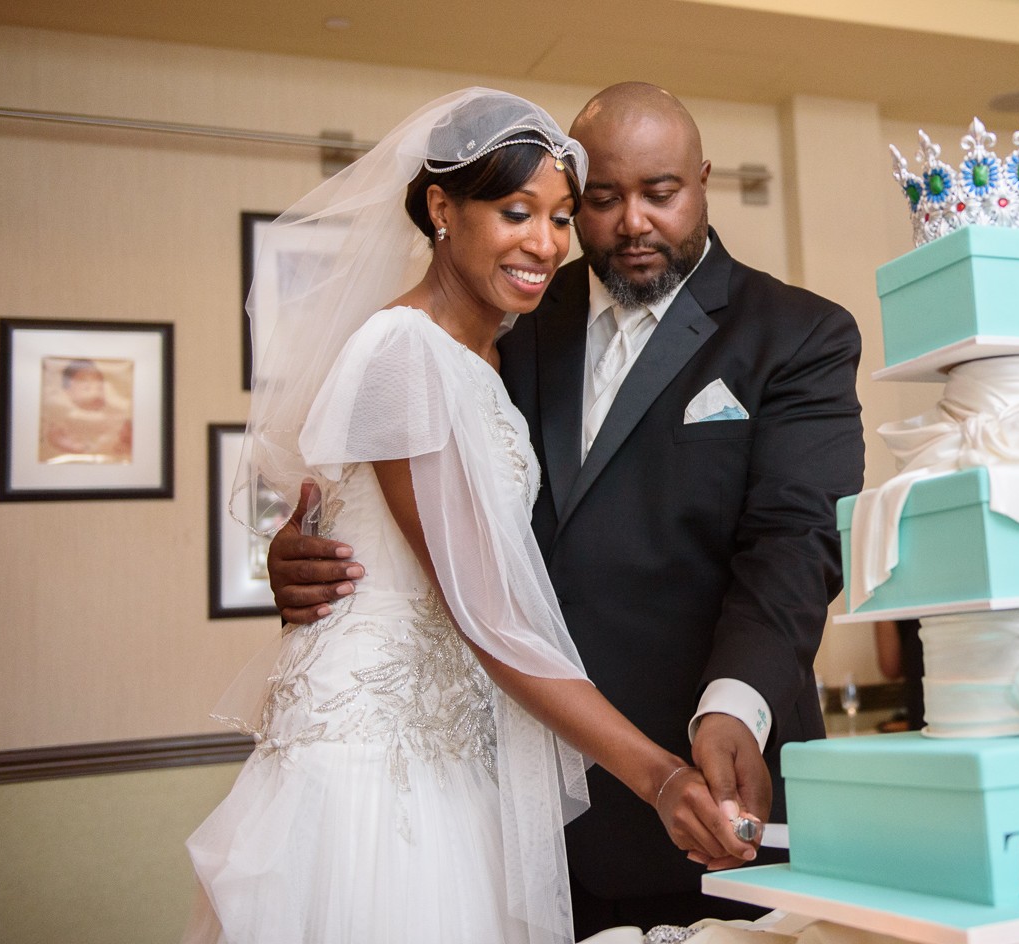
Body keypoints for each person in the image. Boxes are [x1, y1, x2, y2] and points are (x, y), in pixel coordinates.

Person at [268, 81, 867, 935]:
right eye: (600, 200)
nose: (631, 223)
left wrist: (735, 702)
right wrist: (300, 553)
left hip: (705, 778)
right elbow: (408, 499)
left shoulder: (798, 332)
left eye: (660, 194)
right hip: (516, 792)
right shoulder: (510, 310)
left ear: (702, 181)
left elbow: (796, 539)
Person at [185, 89, 751, 944]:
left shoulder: (483, 352)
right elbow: (486, 606)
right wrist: (662, 777)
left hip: (455, 748)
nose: (545, 244)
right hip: (380, 762)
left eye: (561, 218)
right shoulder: (404, 353)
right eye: (518, 212)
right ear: (443, 209)